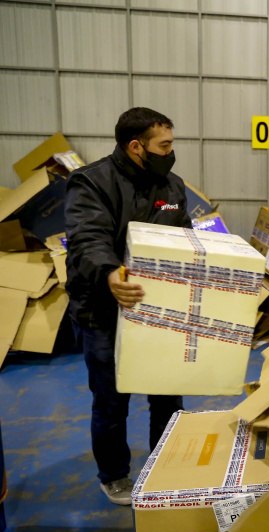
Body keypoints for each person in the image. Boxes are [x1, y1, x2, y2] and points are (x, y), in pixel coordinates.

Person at [64, 107, 190, 505]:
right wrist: (110, 274)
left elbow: (185, 238)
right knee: (112, 400)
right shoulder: (91, 182)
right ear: (137, 146)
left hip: (159, 309)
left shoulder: (171, 187)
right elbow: (87, 239)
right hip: (103, 308)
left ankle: (165, 466)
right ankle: (115, 475)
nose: (170, 153)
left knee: (167, 396)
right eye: (164, 146)